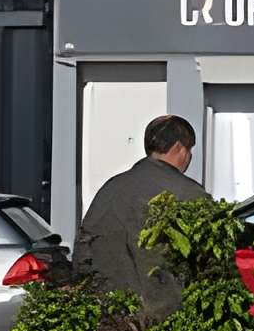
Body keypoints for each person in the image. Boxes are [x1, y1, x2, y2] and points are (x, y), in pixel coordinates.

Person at [72, 114, 204, 317]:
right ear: (179, 147)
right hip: (165, 317)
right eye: (189, 150)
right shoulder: (189, 194)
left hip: (107, 312)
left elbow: (84, 246)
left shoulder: (111, 188)